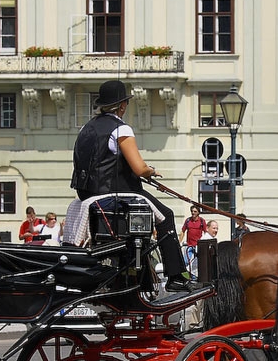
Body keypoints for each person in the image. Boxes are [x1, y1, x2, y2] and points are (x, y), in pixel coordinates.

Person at [71, 79, 201, 293]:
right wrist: (151, 170)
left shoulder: (86, 127)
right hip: (117, 192)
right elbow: (139, 169)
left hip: (87, 193)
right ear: (122, 105)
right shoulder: (121, 129)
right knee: (166, 215)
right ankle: (176, 276)